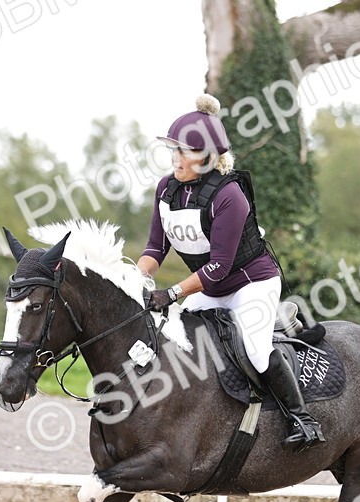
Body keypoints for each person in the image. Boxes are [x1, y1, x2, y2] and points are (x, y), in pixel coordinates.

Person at [138, 94, 324, 450]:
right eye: (172, 150)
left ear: (208, 157)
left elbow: (218, 267)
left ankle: (302, 419)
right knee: (171, 339)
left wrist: (172, 294)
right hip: (208, 286)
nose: (175, 158)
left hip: (249, 282)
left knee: (254, 349)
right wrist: (134, 278)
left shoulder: (230, 196)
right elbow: (154, 249)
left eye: (184, 151)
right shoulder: (166, 189)